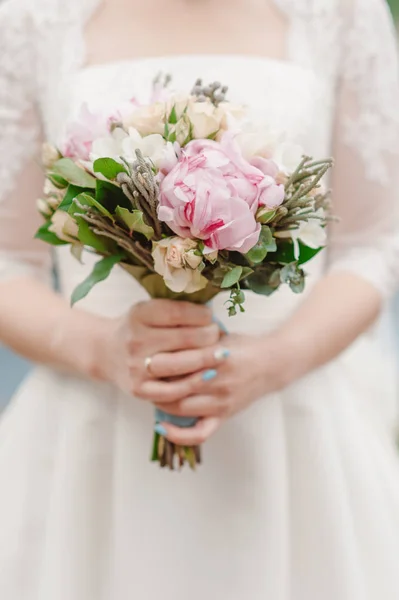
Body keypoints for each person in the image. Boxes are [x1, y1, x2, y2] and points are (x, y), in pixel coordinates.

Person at [1, 0, 399, 598]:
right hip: (90, 436)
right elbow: (8, 259)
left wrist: (275, 360)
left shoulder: (341, 12)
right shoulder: (30, 18)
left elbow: (375, 243)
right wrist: (100, 348)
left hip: (293, 429)